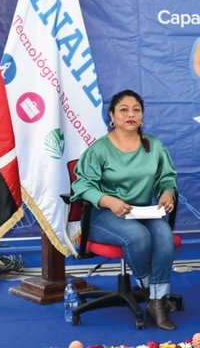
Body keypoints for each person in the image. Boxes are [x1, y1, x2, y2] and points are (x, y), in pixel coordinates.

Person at [71, 89, 179, 330]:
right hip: (104, 216)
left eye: (136, 110)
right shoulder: (99, 149)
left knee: (163, 234)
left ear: (142, 116)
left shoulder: (154, 145)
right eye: (123, 109)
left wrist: (167, 192)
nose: (131, 114)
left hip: (143, 212)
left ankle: (157, 299)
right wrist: (109, 200)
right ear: (112, 115)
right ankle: (154, 295)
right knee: (137, 236)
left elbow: (167, 178)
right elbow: (82, 185)